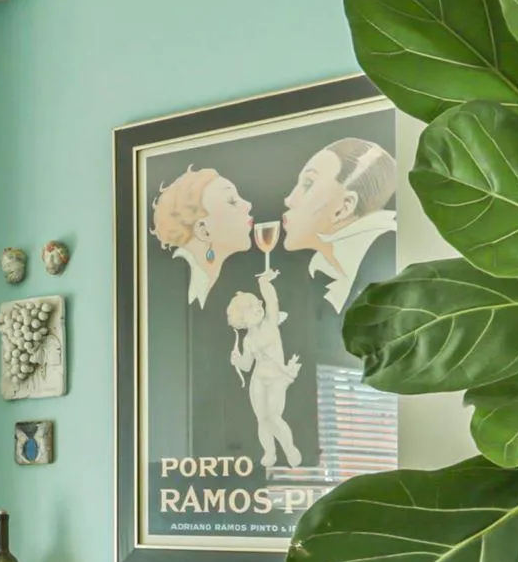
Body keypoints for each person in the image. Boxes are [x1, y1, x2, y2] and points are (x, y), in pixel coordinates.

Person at [280, 137, 400, 312]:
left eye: (307, 184)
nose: (288, 200)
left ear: (344, 208)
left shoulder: (390, 260)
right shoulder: (322, 275)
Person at [226, 245, 303, 471]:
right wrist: (237, 360)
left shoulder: (270, 323)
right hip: (258, 379)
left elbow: (272, 302)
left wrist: (264, 284)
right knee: (262, 419)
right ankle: (269, 452)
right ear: (242, 320)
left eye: (257, 303)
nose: (258, 306)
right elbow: (248, 365)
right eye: (251, 307)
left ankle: (289, 448)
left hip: (277, 377)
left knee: (274, 416)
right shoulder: (248, 341)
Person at [150, 164, 256, 308]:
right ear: (203, 231)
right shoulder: (172, 285)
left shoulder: (214, 280)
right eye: (232, 201)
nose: (248, 205)